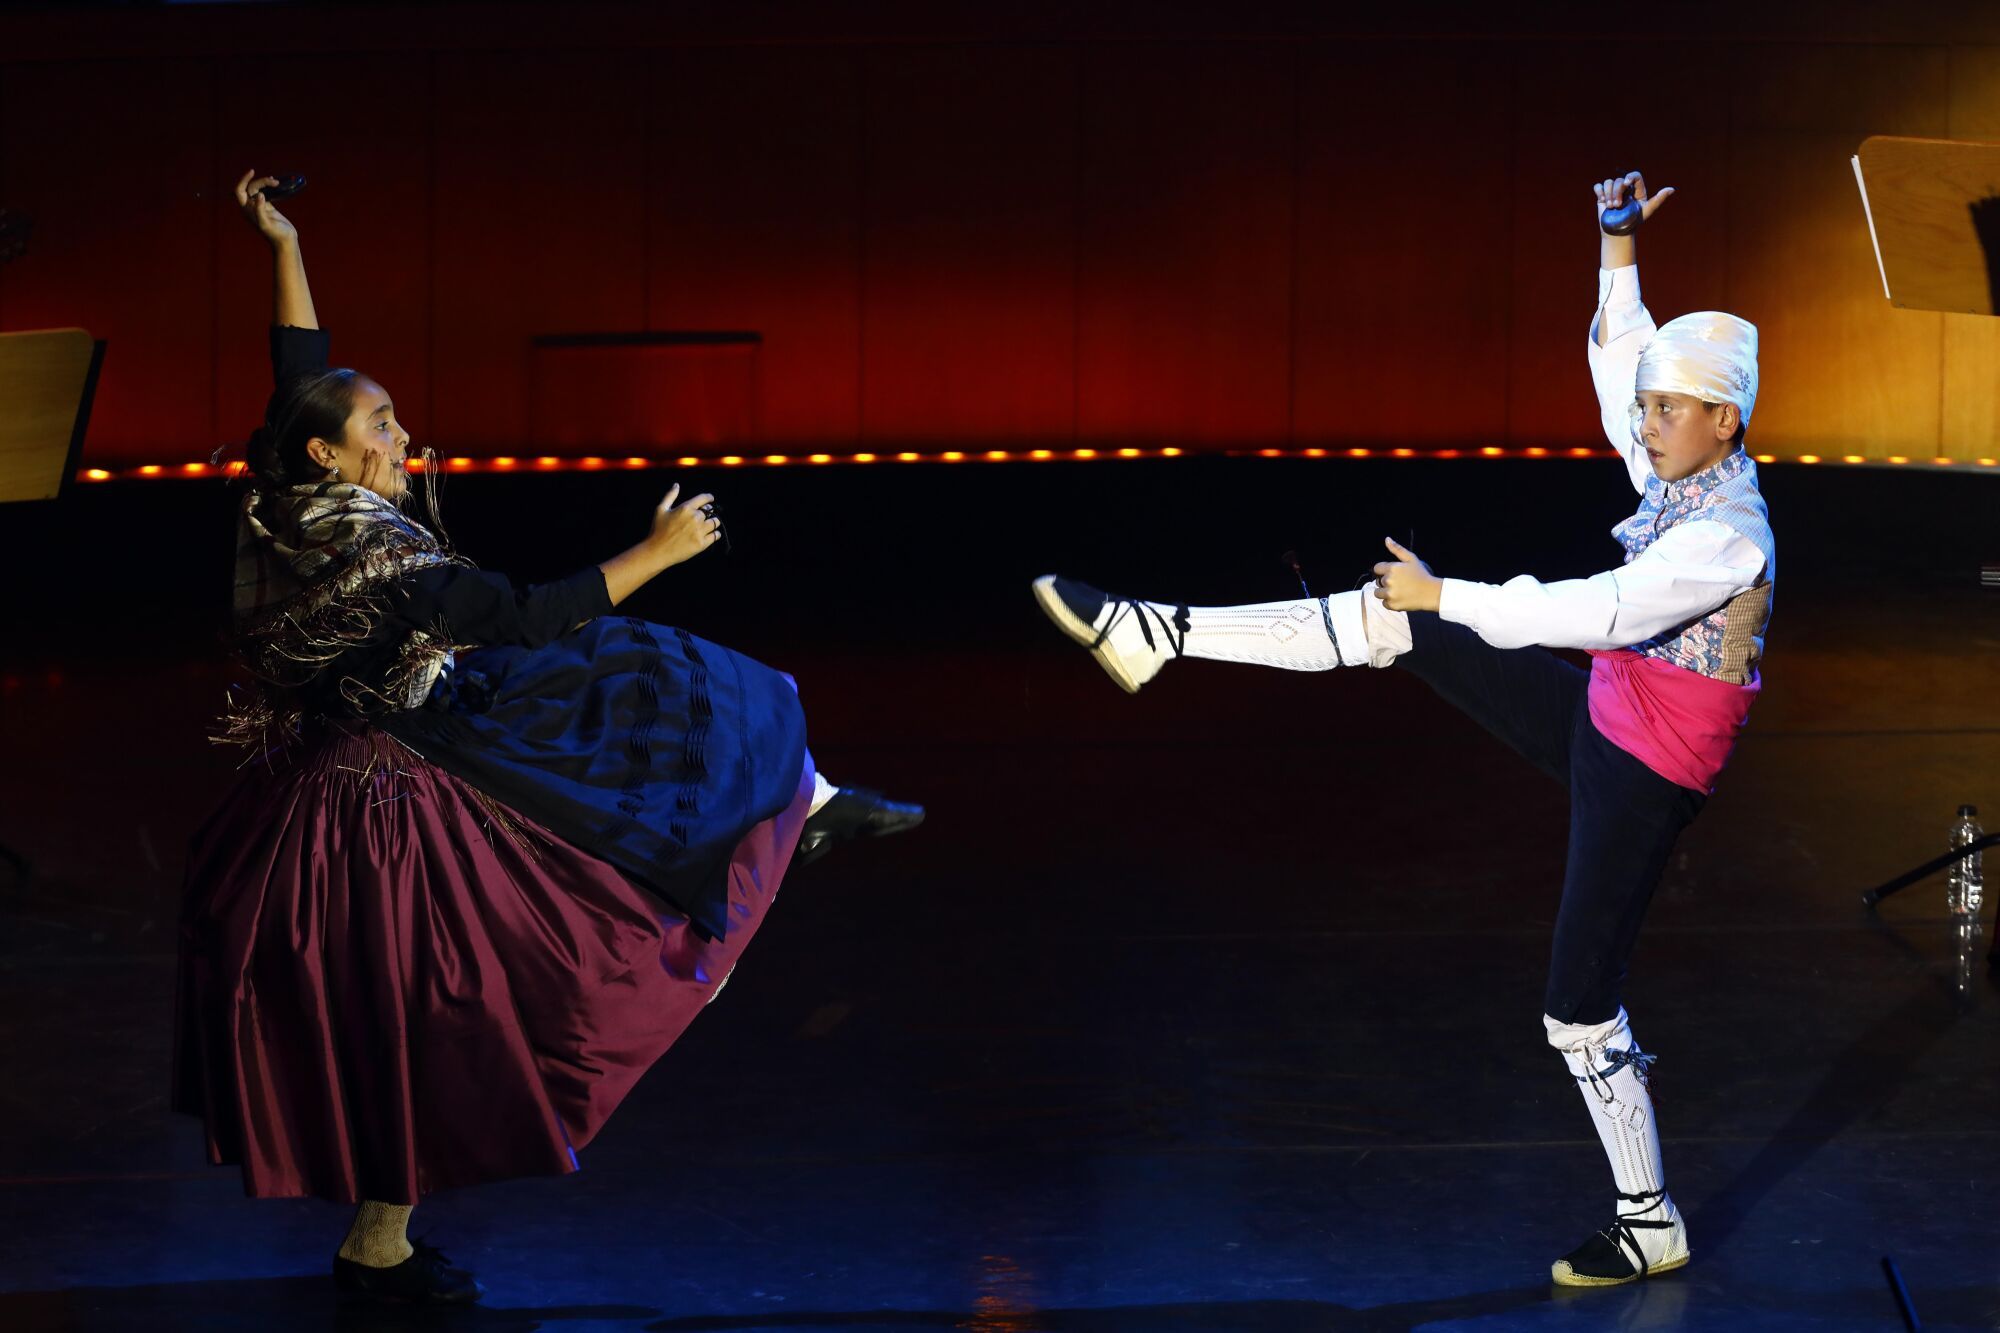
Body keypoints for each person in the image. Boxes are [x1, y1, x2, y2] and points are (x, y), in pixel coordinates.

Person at [173, 170, 922, 1304]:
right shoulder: (380, 559)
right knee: (446, 1007)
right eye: (381, 423)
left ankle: (804, 803)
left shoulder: (283, 495)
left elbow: (298, 373)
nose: (402, 434)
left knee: (634, 680)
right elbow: (522, 614)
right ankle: (379, 1243)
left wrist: (281, 243)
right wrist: (658, 552)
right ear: (328, 453)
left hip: (365, 759)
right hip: (388, 801)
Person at [1031, 170, 1771, 1287]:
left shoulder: (1728, 535)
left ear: (1724, 420)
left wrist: (1451, 594)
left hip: (1643, 777)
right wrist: (1616, 247)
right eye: (1651, 407)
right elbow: (1620, 359)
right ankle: (1158, 632)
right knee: (1392, 619)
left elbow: (1597, 611)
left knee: (1575, 1011)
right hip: (1602, 713)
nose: (1646, 423)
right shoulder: (1678, 465)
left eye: (1670, 410)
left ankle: (1647, 1218)